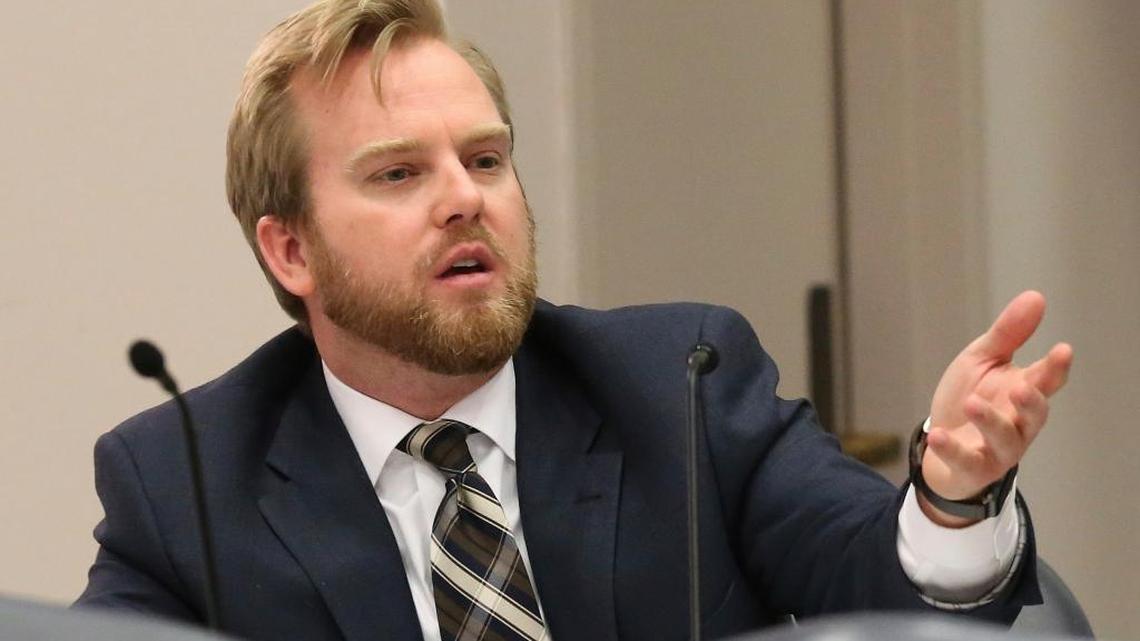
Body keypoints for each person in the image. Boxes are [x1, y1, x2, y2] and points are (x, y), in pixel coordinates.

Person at [76, 1, 1073, 640]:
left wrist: (947, 494)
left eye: (485, 157)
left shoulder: (681, 382)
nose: (465, 198)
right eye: (398, 173)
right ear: (289, 249)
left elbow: (886, 592)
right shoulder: (185, 483)